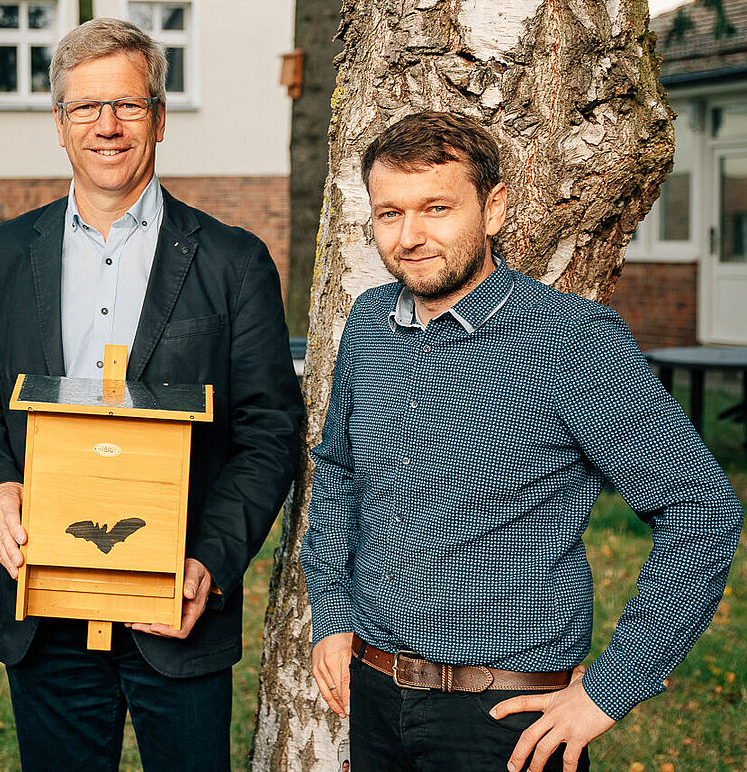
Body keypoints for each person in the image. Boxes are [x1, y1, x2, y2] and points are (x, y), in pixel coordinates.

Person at [301, 111, 742, 772]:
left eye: (437, 208)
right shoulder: (368, 324)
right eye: (390, 213)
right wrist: (333, 610)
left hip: (505, 720)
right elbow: (337, 471)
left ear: (494, 207)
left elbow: (701, 508)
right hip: (374, 697)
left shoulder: (573, 341)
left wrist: (608, 690)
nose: (411, 235)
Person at [0, 18, 303, 771]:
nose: (106, 126)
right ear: (58, 124)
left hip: (176, 605)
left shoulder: (233, 262)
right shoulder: (5, 255)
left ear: (161, 118)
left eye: (128, 106)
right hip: (44, 608)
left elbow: (268, 429)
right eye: (85, 107)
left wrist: (211, 558)